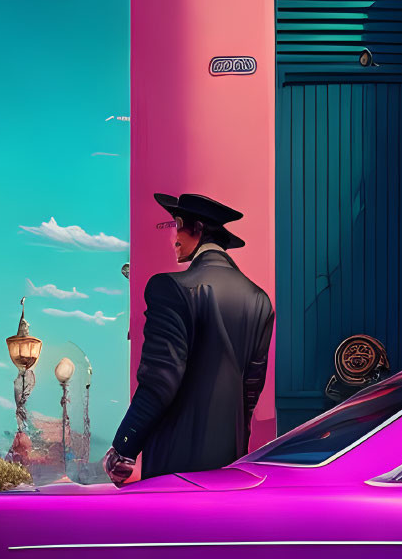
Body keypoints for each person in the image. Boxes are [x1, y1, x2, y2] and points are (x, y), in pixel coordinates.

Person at [104, 193, 274, 484]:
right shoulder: (260, 300)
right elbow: (250, 394)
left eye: (177, 226)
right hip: (230, 467)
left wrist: (123, 449)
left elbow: (159, 381)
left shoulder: (169, 288)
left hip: (176, 469)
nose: (174, 238)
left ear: (196, 229)